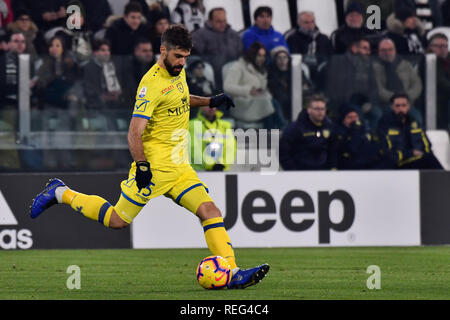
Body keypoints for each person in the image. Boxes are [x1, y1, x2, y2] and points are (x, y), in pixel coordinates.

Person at [30, 24, 269, 289]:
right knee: (117, 220)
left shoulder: (178, 72)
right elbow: (134, 133)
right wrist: (143, 166)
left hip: (179, 167)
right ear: (163, 50)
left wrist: (210, 101)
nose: (182, 62)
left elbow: (179, 99)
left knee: (210, 211)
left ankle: (233, 272)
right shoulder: (150, 84)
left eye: (186, 57)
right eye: (178, 56)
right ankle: (60, 192)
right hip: (155, 167)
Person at [223, 41, 286, 129]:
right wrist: (248, 90)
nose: (262, 58)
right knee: (270, 103)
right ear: (252, 54)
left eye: (263, 56)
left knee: (271, 102)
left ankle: (275, 131)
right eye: (259, 55)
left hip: (258, 102)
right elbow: (227, 87)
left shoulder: (261, 69)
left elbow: (263, 88)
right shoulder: (238, 67)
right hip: (242, 104)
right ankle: (281, 129)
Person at [377, 93, 443, 170]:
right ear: (392, 107)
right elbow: (386, 152)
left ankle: (444, 179)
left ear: (408, 107)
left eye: (403, 105)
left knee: (430, 158)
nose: (400, 109)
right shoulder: (385, 124)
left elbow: (426, 145)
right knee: (429, 160)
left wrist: (422, 154)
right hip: (397, 163)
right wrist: (410, 153)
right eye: (397, 106)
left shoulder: (414, 123)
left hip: (417, 160)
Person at [325, 37, 379, 129]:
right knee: (357, 116)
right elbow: (331, 86)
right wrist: (340, 102)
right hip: (345, 101)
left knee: (377, 113)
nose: (368, 52)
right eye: (365, 48)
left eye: (369, 49)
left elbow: (374, 87)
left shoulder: (369, 65)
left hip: (364, 101)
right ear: (354, 49)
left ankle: (371, 138)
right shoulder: (339, 61)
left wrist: (370, 102)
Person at [279, 94, 338, 170]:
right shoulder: (295, 128)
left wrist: (333, 167)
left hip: (323, 173)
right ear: (309, 110)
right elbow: (283, 152)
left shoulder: (329, 127)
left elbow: (333, 150)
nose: (320, 112)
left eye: (322, 109)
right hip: (301, 173)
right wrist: (293, 171)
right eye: (316, 109)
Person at [372, 38, 423, 125]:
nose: (387, 53)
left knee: (416, 117)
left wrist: (406, 97)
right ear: (379, 52)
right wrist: (395, 98)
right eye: (383, 50)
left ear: (395, 50)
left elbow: (417, 84)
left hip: (407, 103)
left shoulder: (406, 65)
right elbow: (377, 89)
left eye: (390, 49)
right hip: (384, 104)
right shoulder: (374, 67)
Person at [192, 7, 243, 90]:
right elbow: (195, 55)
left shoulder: (233, 34)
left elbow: (241, 52)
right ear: (210, 21)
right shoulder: (199, 35)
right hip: (213, 72)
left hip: (233, 70)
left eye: (224, 21)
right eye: (219, 21)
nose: (222, 24)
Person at [335, 104, 387, 170]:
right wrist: (355, 131)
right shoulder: (338, 133)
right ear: (343, 120)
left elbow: (374, 148)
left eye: (356, 116)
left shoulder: (366, 130)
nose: (354, 120)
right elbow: (352, 148)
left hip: (368, 167)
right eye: (350, 117)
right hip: (348, 169)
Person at [189, 105, 236, 172]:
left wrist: (223, 164)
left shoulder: (225, 125)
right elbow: (193, 149)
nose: (211, 108)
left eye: (214, 105)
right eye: (207, 105)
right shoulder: (192, 125)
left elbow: (231, 148)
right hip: (199, 171)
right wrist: (210, 165)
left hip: (221, 170)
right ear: (201, 107)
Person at [427, 33, 450, 130]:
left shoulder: (448, 59)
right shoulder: (429, 61)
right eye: (439, 46)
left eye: (445, 46)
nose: (443, 49)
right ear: (431, 47)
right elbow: (441, 82)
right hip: (436, 98)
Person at [268, 45, 292, 121]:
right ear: (275, 60)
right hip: (277, 103)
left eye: (285, 57)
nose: (282, 61)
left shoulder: (295, 72)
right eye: (279, 58)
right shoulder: (270, 74)